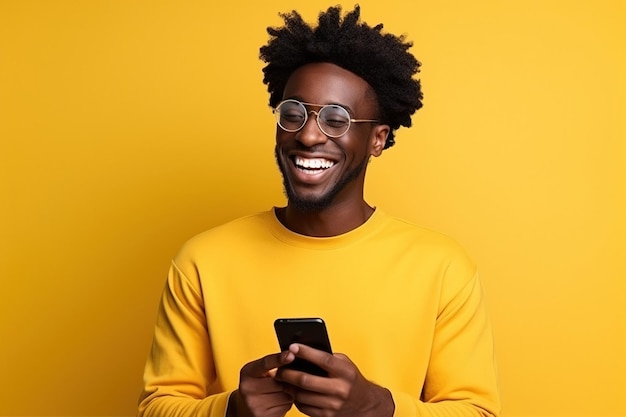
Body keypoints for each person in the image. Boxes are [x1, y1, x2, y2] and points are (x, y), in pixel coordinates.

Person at [138, 5, 500, 417]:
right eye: (293, 113)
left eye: (336, 119)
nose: (308, 135)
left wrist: (377, 408)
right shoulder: (202, 260)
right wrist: (232, 409)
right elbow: (156, 407)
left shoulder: (443, 267)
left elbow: (476, 411)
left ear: (377, 139)